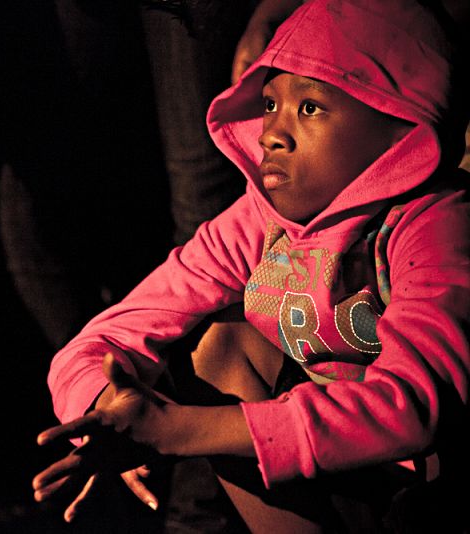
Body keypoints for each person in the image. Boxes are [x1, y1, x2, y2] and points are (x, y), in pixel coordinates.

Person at [32, 0, 470, 531]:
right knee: (220, 341)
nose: (270, 134)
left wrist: (178, 430)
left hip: (430, 482)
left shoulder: (436, 222)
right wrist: (111, 408)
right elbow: (104, 338)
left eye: (310, 107)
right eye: (269, 104)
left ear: (401, 129)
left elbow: (412, 407)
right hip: (336, 467)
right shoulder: (256, 222)